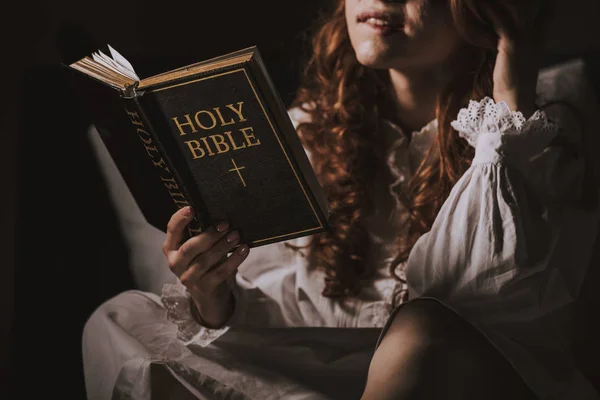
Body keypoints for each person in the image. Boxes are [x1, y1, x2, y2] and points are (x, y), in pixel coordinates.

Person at [82, 0, 600, 399]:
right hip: (328, 367)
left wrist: (508, 108)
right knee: (121, 319)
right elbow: (299, 306)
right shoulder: (309, 130)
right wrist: (218, 299)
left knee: (421, 330)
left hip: (468, 371)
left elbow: (488, 298)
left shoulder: (530, 138)